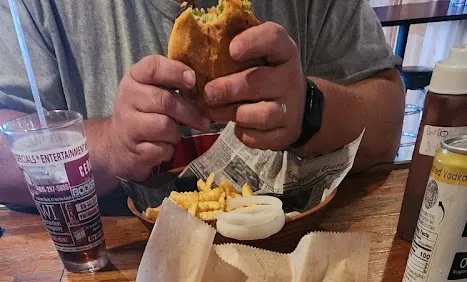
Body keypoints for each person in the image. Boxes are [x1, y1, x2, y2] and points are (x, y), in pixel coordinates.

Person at [0, 0, 405, 206]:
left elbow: (386, 126)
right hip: (109, 266)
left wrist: (310, 109)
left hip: (302, 248)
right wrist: (106, 146)